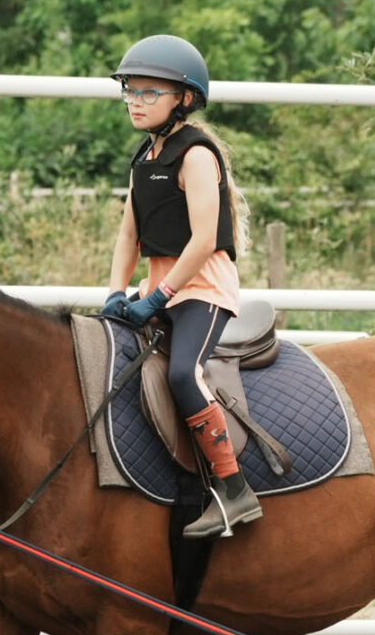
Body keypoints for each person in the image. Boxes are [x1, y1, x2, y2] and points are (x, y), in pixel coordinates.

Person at [102, 34, 262, 540]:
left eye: (151, 92)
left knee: (181, 376)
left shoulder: (196, 155)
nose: (135, 100)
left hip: (202, 289)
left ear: (185, 99)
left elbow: (201, 242)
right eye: (131, 90)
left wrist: (156, 297)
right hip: (163, 287)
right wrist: (113, 292)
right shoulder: (145, 156)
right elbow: (129, 233)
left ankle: (235, 491)